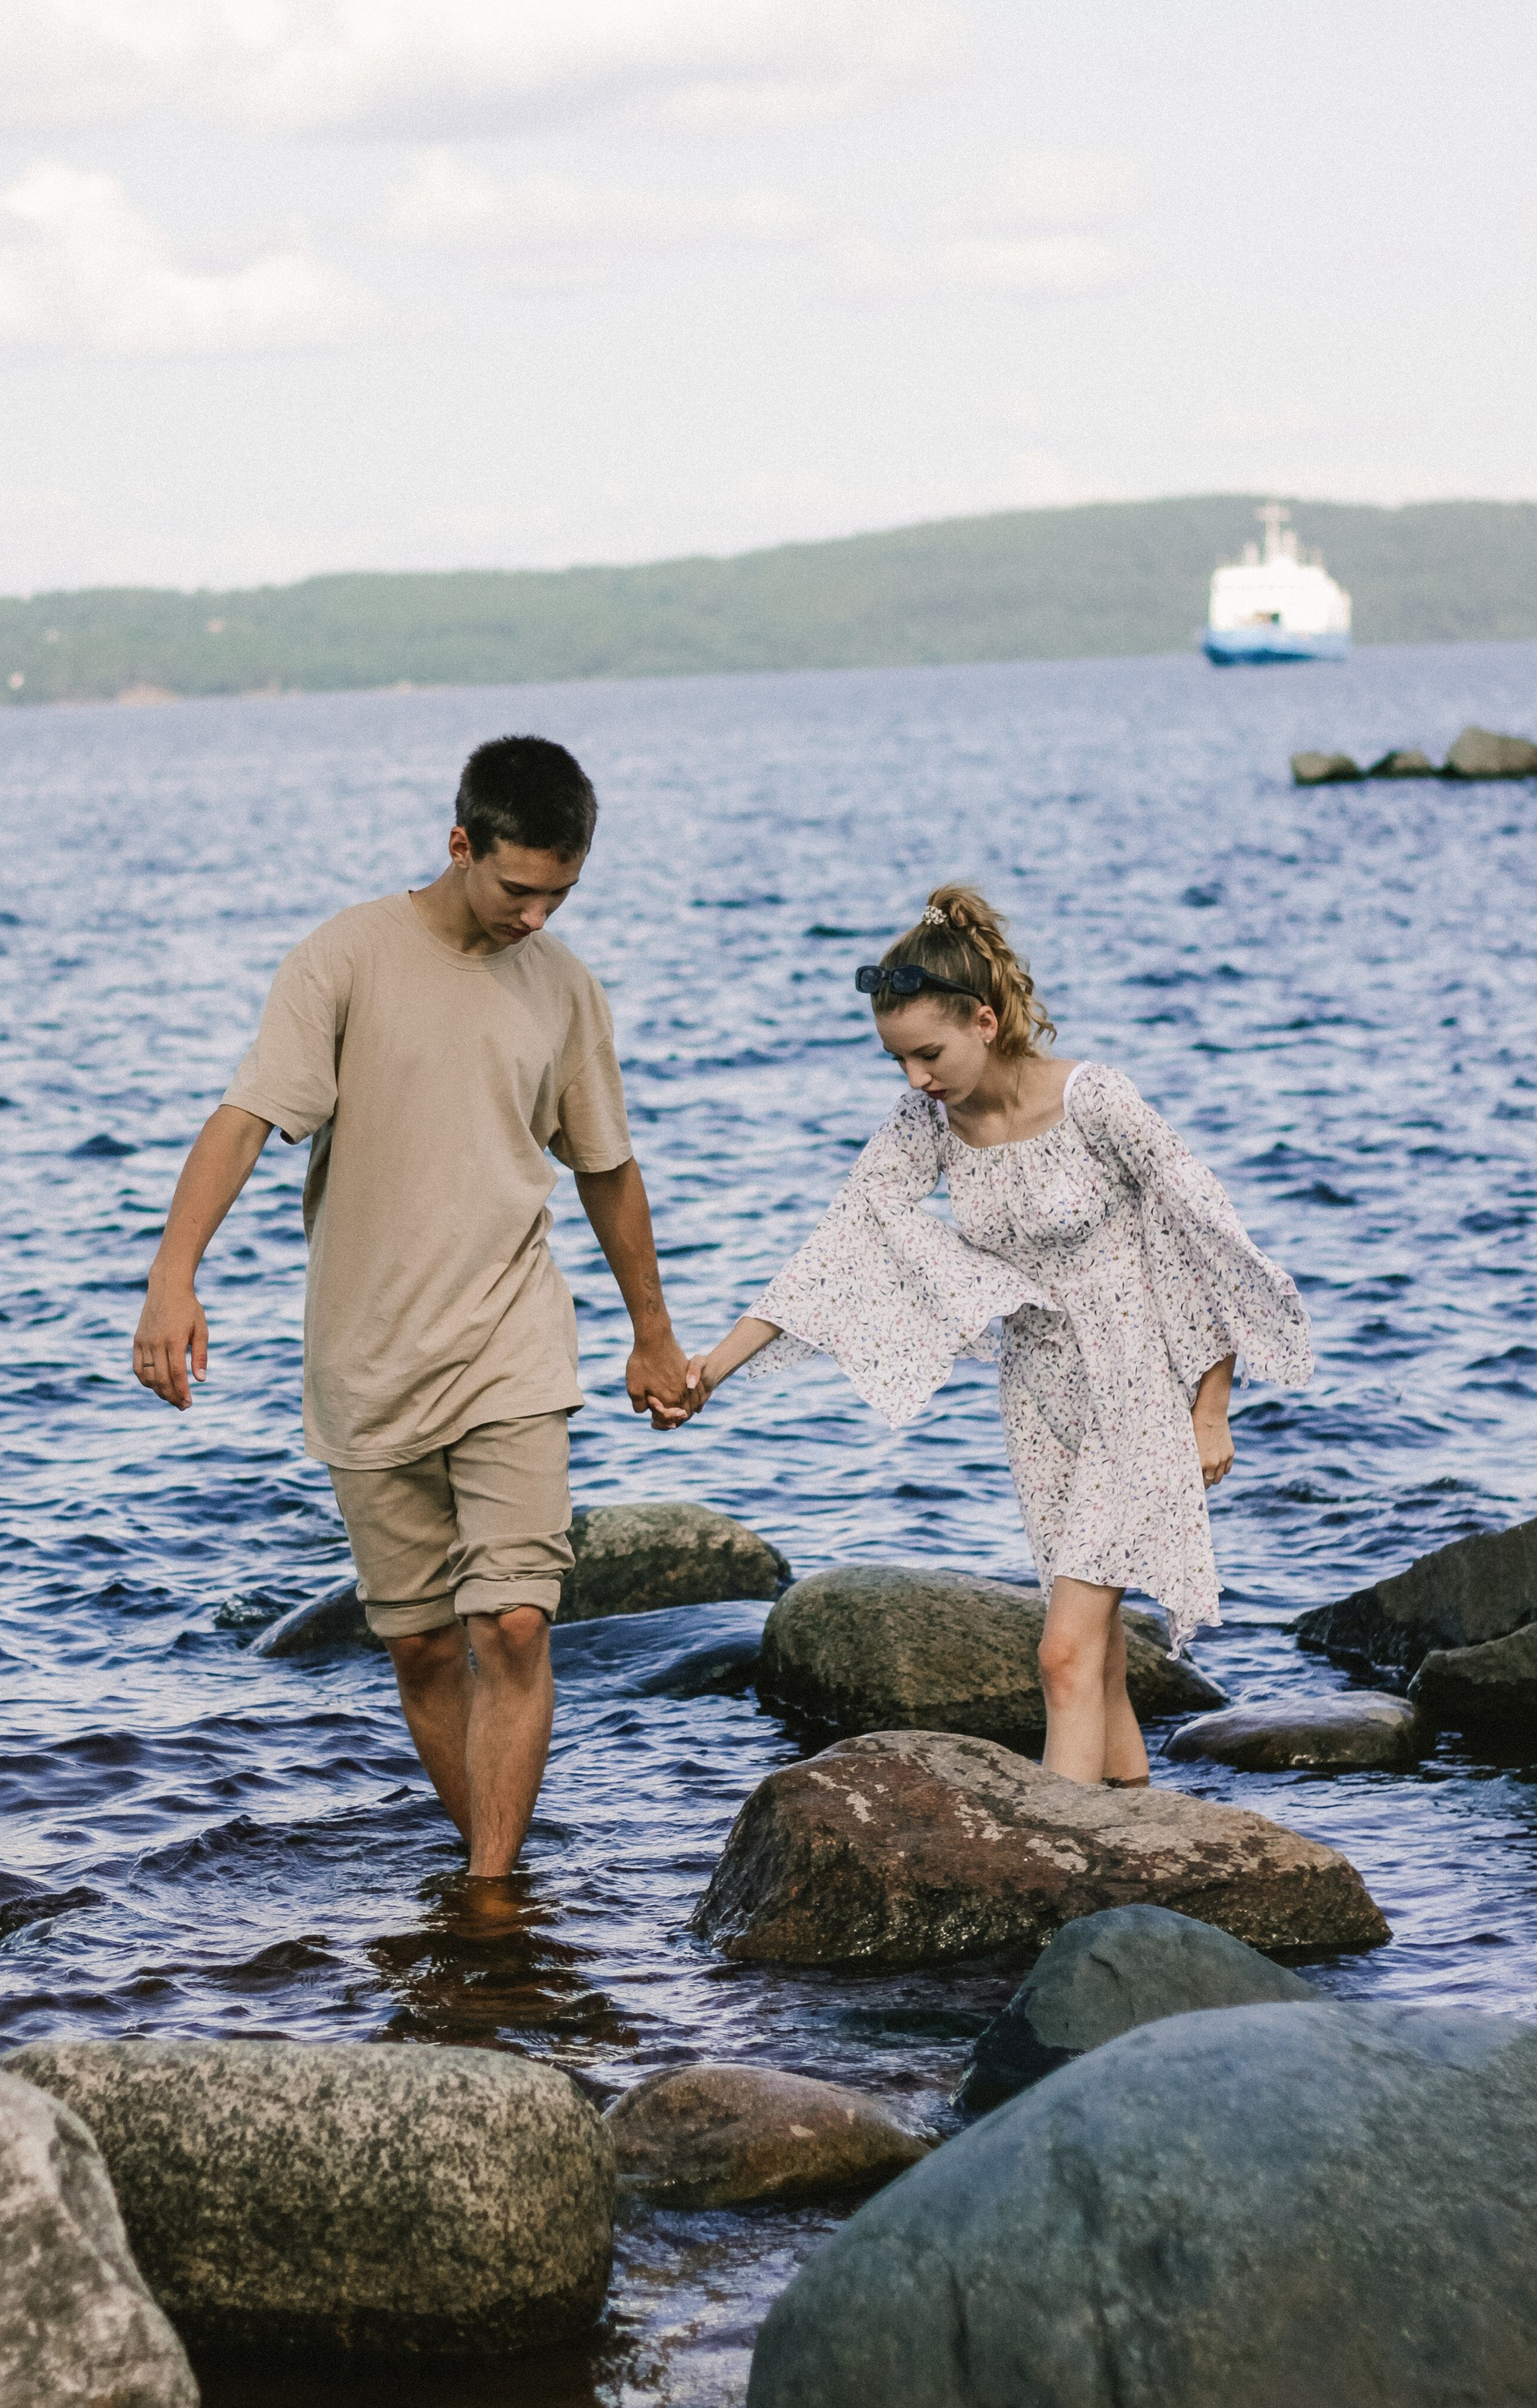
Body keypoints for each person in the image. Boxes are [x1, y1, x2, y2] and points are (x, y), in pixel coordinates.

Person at [132, 734, 696, 1875]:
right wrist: (172, 1275)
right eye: (518, 889)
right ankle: (497, 1862)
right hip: (369, 1357)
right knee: (427, 1650)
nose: (537, 916)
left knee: (517, 1622)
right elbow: (245, 1118)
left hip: (511, 1343)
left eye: (561, 894)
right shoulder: (344, 959)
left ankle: (492, 1893)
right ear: (460, 844)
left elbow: (606, 1166)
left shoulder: (564, 986)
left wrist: (653, 1330)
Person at [682, 884, 1312, 1787]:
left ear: (985, 1019)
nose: (915, 1079)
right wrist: (714, 1367)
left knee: (1060, 1654)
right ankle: (1134, 1830)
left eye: (928, 1054)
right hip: (1037, 1392)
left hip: (1137, 1385)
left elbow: (1199, 1236)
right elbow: (838, 1241)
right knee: (1091, 1656)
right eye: (897, 1061)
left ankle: (1058, 1856)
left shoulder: (1096, 1100)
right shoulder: (930, 1123)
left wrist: (1212, 1407)